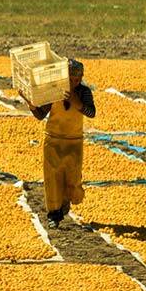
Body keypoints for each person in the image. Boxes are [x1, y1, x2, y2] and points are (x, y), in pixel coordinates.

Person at [26, 58, 96, 228]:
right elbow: (41, 115)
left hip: (74, 141)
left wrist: (75, 101)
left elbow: (91, 112)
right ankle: (54, 215)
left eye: (77, 80)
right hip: (54, 140)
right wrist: (32, 105)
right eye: (70, 79)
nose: (74, 83)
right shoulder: (54, 91)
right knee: (52, 178)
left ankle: (68, 199)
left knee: (74, 181)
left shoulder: (84, 92)